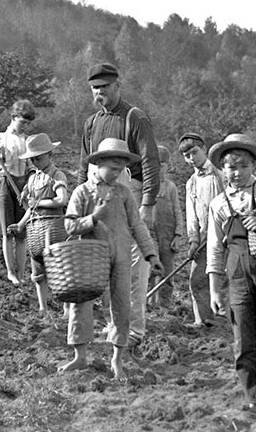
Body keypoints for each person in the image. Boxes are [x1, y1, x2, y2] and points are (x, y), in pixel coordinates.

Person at [205, 133, 256, 428]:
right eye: (229, 167)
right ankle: (251, 394)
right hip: (237, 276)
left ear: (253, 165)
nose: (236, 172)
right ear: (222, 170)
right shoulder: (218, 203)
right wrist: (215, 289)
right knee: (243, 341)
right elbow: (215, 248)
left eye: (242, 165)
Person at [62, 138, 163, 382]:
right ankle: (80, 355)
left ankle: (117, 359)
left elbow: (137, 225)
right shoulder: (82, 192)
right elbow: (69, 225)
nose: (116, 173)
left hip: (120, 256)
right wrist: (93, 218)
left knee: (121, 305)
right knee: (81, 304)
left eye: (120, 170)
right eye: (113, 169)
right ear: (98, 164)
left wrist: (151, 254)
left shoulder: (124, 193)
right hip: (89, 257)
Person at [78, 62, 160, 346]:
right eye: (95, 88)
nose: (100, 93)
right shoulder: (91, 123)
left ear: (117, 86)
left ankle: (134, 329)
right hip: (99, 198)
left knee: (134, 268)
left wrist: (148, 203)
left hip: (130, 195)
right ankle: (114, 324)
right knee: (105, 265)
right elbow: (83, 164)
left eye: (105, 87)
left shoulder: (134, 117)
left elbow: (150, 161)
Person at [7, 133, 68, 315]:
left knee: (60, 271)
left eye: (39, 158)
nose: (36, 162)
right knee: (38, 272)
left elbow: (62, 200)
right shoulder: (33, 178)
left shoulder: (57, 175)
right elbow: (31, 209)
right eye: (33, 159)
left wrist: (39, 203)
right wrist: (20, 224)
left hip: (54, 229)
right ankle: (42, 308)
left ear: (50, 155)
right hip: (35, 231)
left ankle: (66, 309)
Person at [178, 131, 226, 327]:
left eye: (195, 152)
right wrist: (193, 241)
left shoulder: (220, 174)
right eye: (186, 156)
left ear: (204, 149)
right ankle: (204, 320)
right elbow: (192, 216)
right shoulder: (191, 183)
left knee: (227, 279)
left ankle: (229, 320)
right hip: (203, 239)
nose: (191, 159)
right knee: (197, 280)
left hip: (225, 236)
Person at [0, 99, 36, 285]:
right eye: (23, 122)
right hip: (4, 185)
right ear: (14, 117)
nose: (25, 126)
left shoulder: (28, 141)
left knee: (21, 232)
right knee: (8, 231)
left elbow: (32, 167)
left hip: (23, 185)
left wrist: (27, 185)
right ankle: (11, 273)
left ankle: (22, 273)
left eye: (28, 123)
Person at [147, 144, 186, 309]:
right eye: (154, 166)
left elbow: (177, 211)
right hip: (150, 233)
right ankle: (149, 303)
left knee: (167, 271)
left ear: (167, 167)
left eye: (161, 166)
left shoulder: (170, 187)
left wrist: (178, 235)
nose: (158, 170)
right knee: (150, 269)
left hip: (168, 234)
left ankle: (164, 305)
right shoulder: (146, 187)